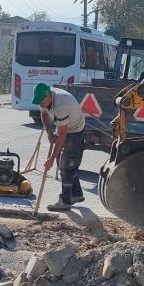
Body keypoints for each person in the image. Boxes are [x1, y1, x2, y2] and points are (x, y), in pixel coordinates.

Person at [33, 82, 86, 211]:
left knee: (65, 165)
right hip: (62, 126)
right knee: (62, 163)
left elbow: (62, 136)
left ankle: (65, 201)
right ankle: (77, 194)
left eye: (42, 102)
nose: (40, 105)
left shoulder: (62, 104)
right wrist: (49, 132)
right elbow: (44, 114)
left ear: (48, 96)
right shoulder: (43, 98)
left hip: (75, 129)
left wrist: (50, 159)